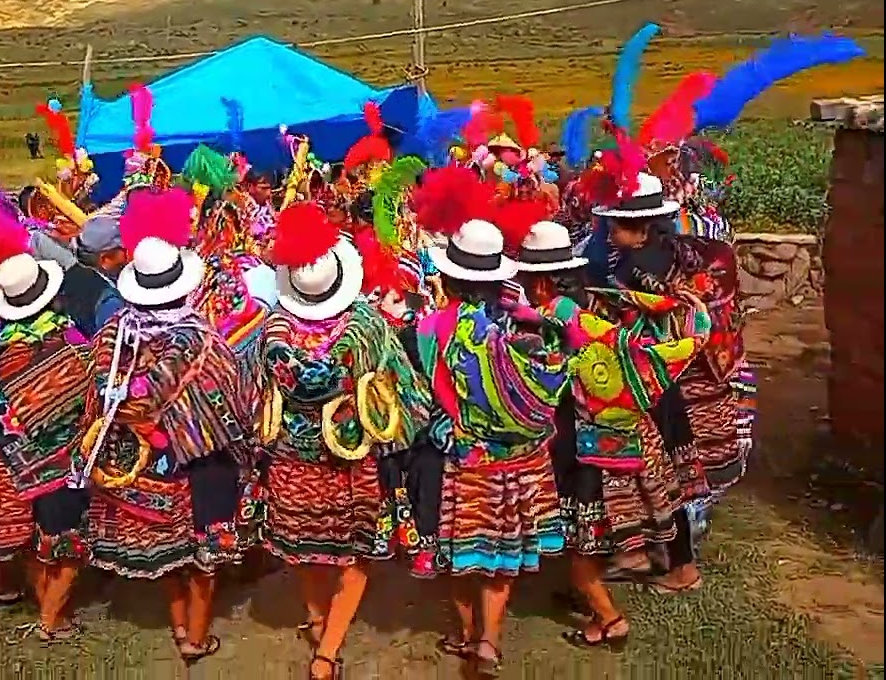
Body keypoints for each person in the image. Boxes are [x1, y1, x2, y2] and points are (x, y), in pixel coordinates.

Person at [512, 220, 712, 650]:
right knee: (606, 524)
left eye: (528, 279)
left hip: (589, 443)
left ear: (542, 280)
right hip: (623, 431)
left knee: (584, 534)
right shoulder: (590, 302)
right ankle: (606, 582)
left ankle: (608, 616)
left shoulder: (563, 315)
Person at [79, 187, 256, 666]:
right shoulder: (203, 340)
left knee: (167, 555)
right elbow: (235, 401)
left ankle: (179, 623)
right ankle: (195, 637)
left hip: (143, 466)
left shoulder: (114, 334)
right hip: (201, 462)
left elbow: (99, 392)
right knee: (202, 556)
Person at [261, 203, 431, 680]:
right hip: (349, 465)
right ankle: (327, 653)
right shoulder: (365, 327)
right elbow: (402, 389)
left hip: (292, 465)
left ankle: (317, 621)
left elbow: (257, 391)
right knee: (353, 557)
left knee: (305, 549)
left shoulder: (274, 332)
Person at [409, 218, 571, 678]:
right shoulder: (519, 324)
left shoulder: (429, 329)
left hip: (465, 457)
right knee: (502, 554)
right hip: (521, 457)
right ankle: (489, 641)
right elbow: (565, 355)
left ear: (447, 274)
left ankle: (464, 633)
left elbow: (422, 392)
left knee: (464, 551)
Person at [0, 202, 93, 631]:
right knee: (62, 538)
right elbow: (89, 390)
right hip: (59, 460)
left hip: (8, 458)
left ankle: (46, 608)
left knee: (35, 542)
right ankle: (50, 619)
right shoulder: (66, 338)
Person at [593, 171, 744, 595]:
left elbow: (628, 330)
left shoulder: (634, 271)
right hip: (696, 374)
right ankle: (660, 553)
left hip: (660, 384)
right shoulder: (690, 250)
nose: (609, 231)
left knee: (662, 475)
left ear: (637, 228)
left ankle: (680, 568)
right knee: (675, 474)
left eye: (615, 225)